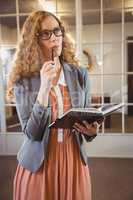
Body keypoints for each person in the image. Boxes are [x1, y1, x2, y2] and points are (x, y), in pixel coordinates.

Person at [7, 10, 101, 200]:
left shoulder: (80, 74)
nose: (54, 38)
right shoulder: (23, 81)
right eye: (46, 33)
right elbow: (32, 133)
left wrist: (91, 132)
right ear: (34, 40)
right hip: (39, 164)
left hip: (73, 160)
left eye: (57, 31)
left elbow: (86, 116)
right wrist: (44, 88)